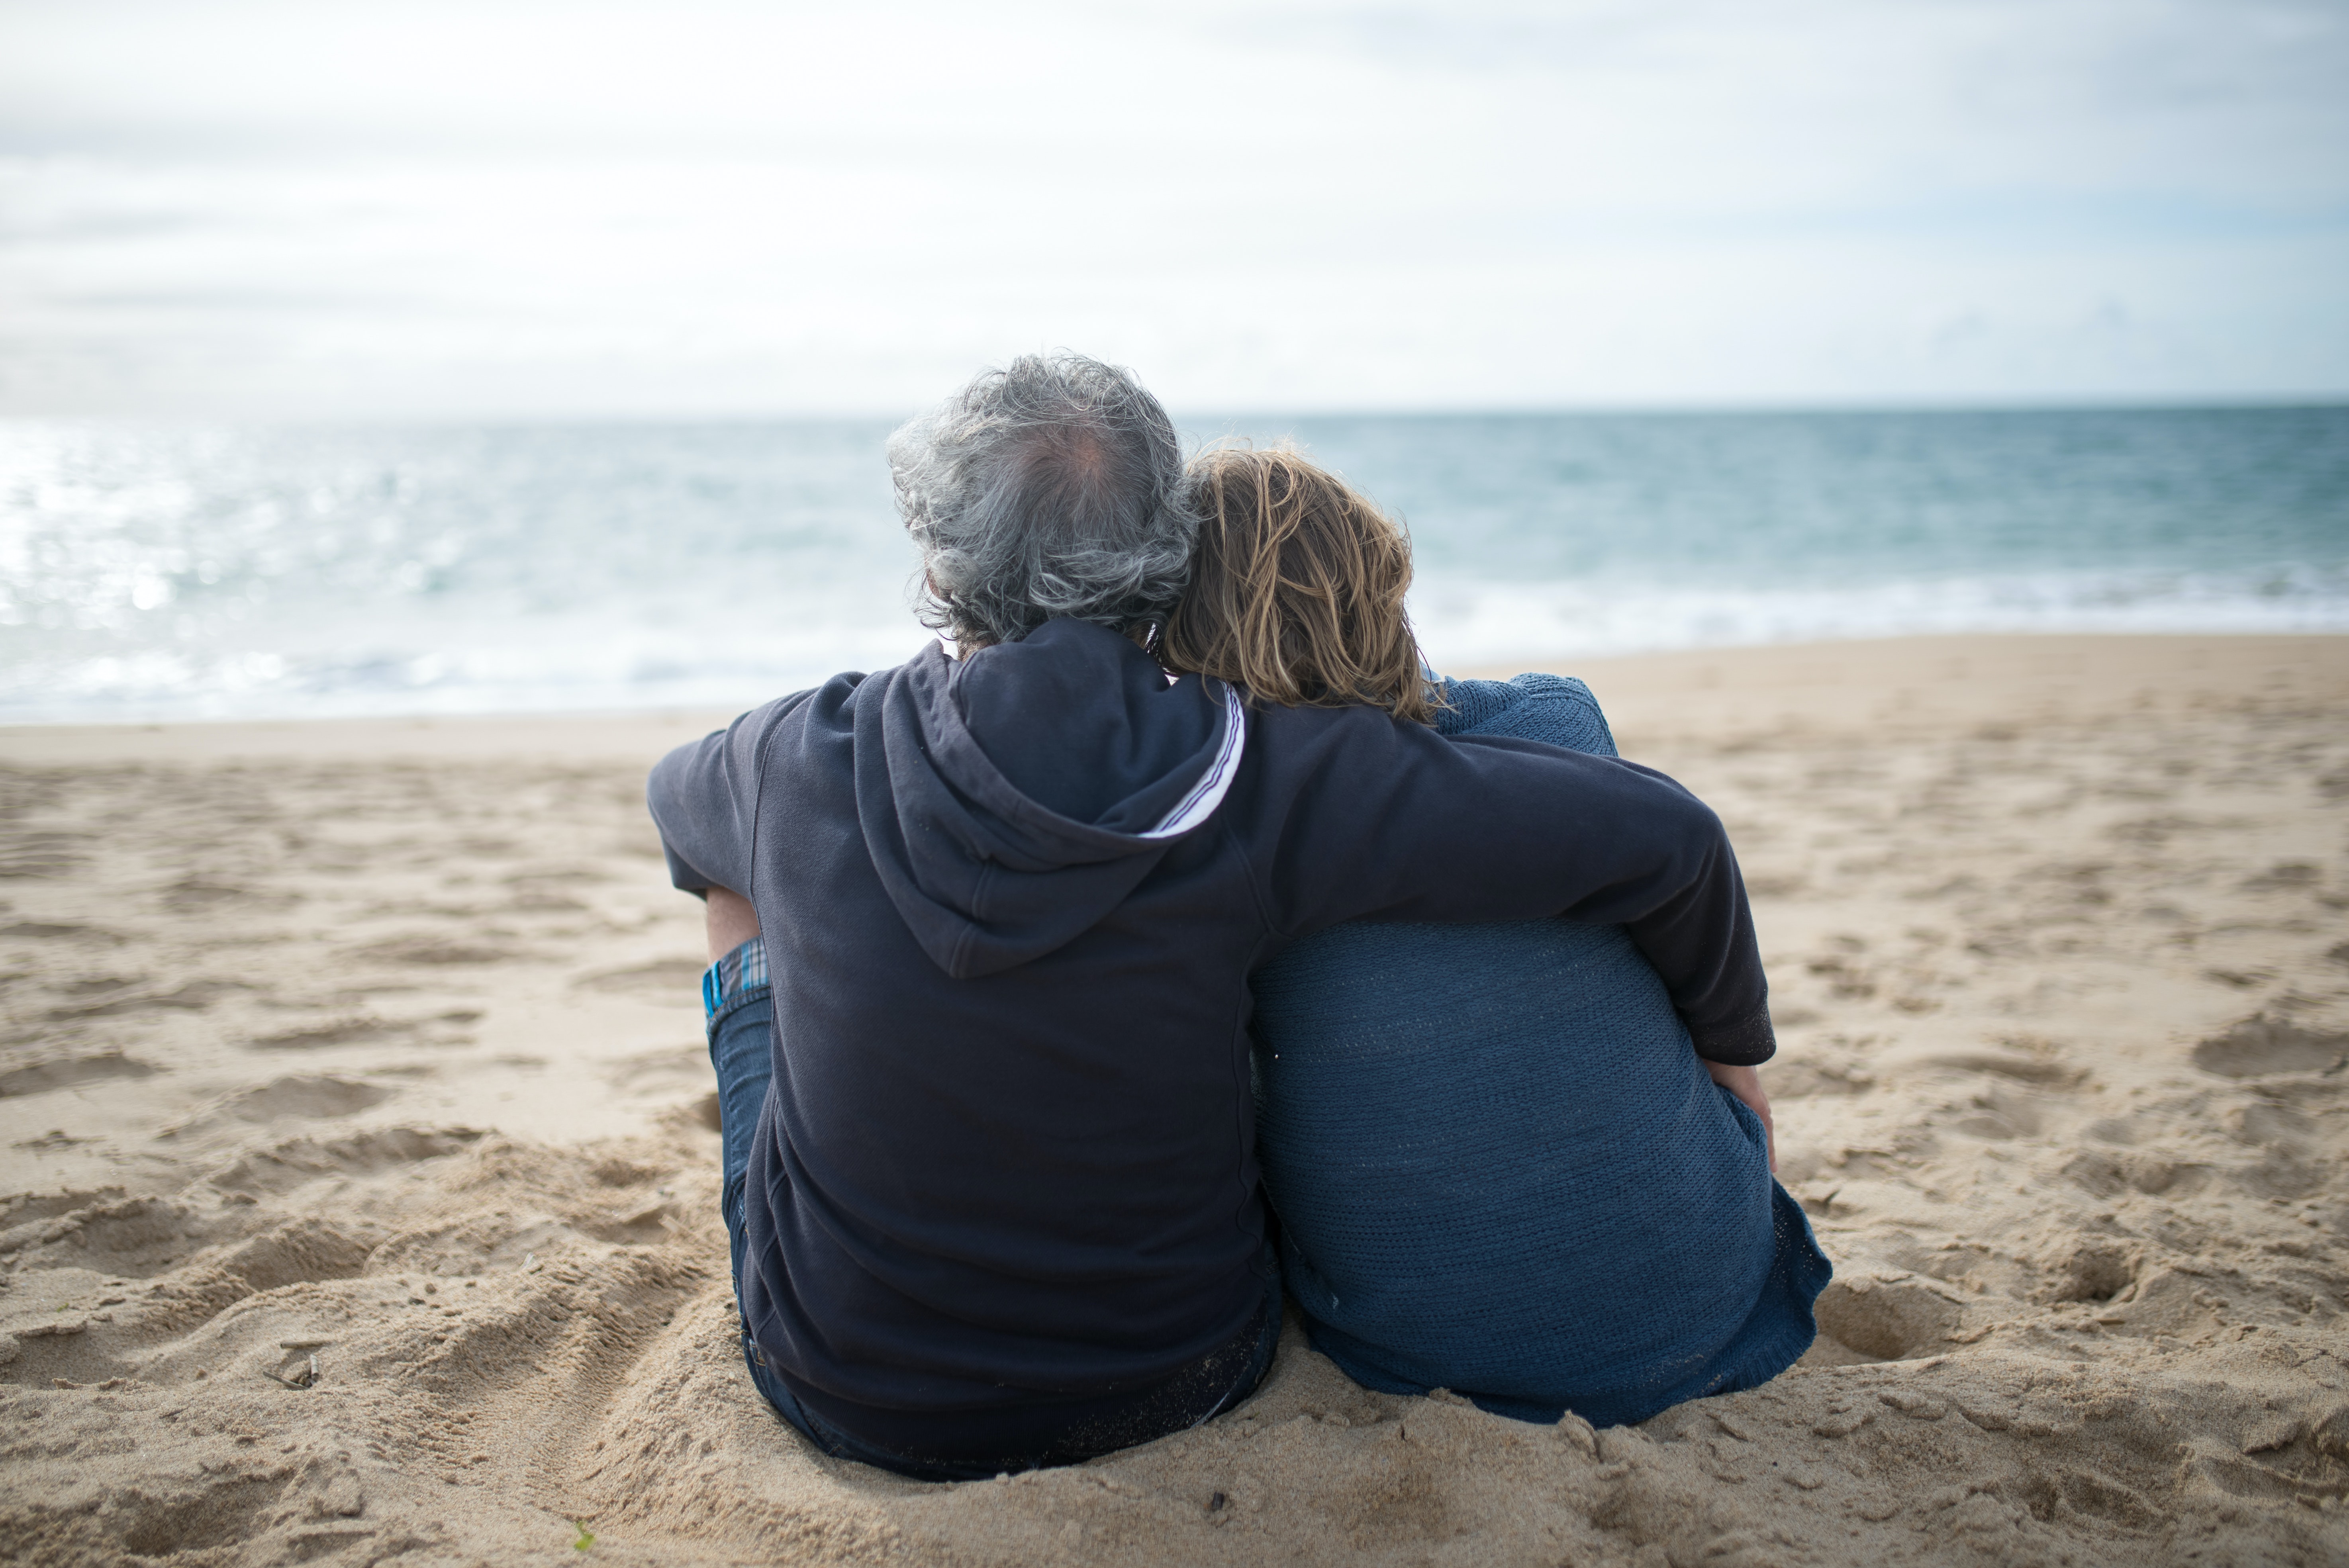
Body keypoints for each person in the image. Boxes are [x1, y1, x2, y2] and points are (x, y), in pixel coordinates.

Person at [647, 353, 1775, 1481]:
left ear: (939, 564)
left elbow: (679, 811)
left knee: (749, 894)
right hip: (1176, 1377)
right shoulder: (1258, 773)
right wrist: (1737, 1071)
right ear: (1162, 550)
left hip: (846, 1387)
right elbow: (1666, 841)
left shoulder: (792, 750)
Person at [1158, 445, 1831, 1427]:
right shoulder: (1552, 727)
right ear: (1386, 585)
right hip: (1702, 1292)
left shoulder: (1207, 838)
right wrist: (1739, 1067)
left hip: (1428, 1353)